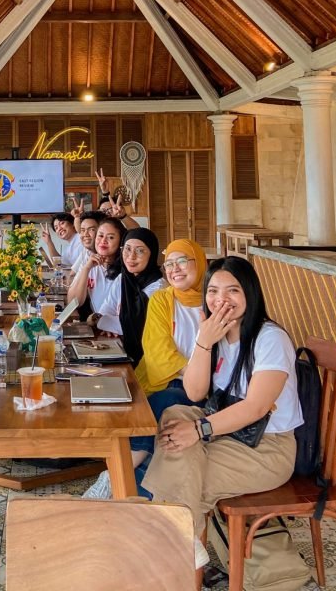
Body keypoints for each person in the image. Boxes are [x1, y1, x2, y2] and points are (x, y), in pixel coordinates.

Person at [142, 256, 302, 569]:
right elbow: (194, 393)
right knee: (176, 413)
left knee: (182, 479)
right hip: (228, 438)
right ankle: (181, 543)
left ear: (250, 294)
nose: (221, 300)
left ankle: (173, 549)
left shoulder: (270, 338)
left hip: (268, 449)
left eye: (233, 291)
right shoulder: (215, 335)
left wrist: (199, 430)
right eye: (213, 291)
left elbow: (256, 407)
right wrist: (202, 343)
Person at [83, 238, 206, 500]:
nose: (175, 269)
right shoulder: (163, 300)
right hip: (167, 380)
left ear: (200, 263)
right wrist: (195, 373)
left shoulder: (212, 300)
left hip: (203, 389)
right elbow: (158, 352)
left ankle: (116, 478)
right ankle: (124, 486)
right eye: (170, 263)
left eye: (182, 261)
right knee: (156, 404)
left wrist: (199, 378)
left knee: (159, 406)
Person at [93, 228, 166, 353]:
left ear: (152, 254)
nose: (131, 256)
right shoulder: (123, 278)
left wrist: (101, 321)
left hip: (148, 354)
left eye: (140, 251)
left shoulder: (158, 287)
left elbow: (134, 324)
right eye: (127, 249)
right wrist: (106, 321)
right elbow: (105, 311)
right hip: (120, 347)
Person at [65, 217, 125, 317]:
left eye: (110, 237)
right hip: (99, 325)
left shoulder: (127, 267)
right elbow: (73, 303)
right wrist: (86, 269)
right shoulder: (90, 261)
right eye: (100, 236)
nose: (103, 241)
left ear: (120, 241)